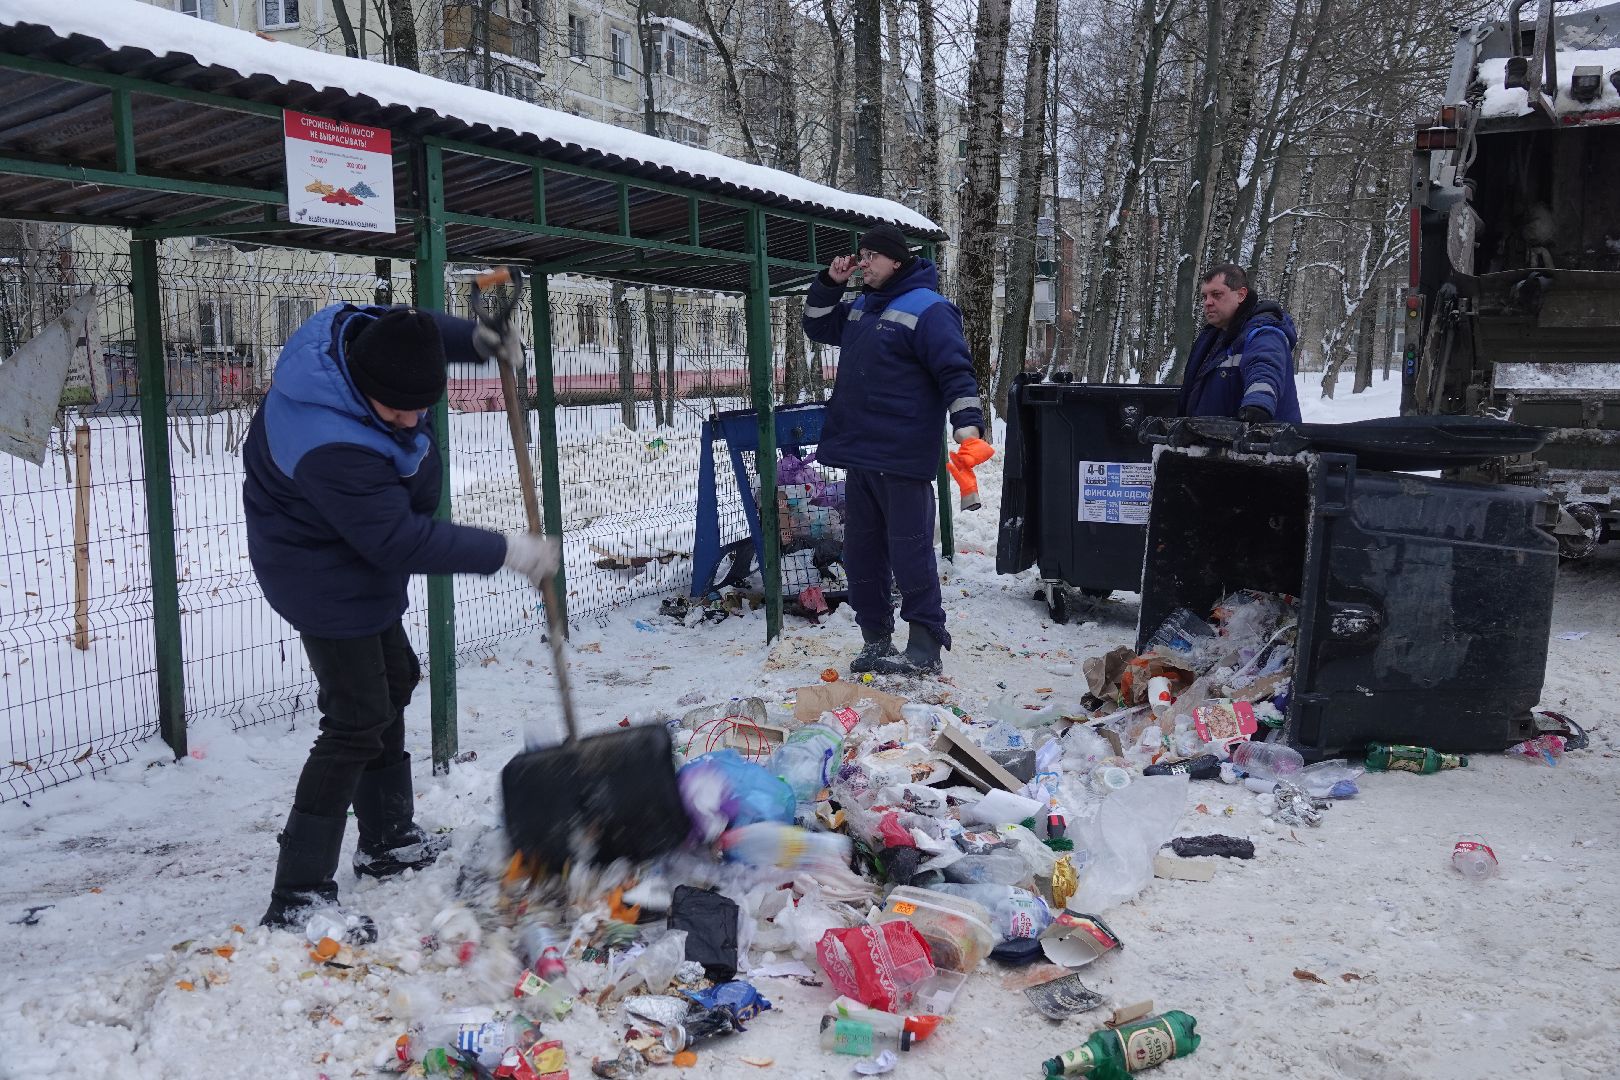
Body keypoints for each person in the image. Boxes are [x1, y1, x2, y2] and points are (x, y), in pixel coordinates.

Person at [242, 302, 558, 933]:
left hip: (353, 555)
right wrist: (505, 551)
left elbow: (418, 330)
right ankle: (298, 895)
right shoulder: (330, 443)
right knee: (357, 717)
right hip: (316, 570)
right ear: (364, 388)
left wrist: (480, 339)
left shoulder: (363, 340)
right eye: (397, 410)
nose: (413, 421)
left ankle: (387, 838)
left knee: (394, 679)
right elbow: (397, 540)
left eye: (421, 406)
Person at [802, 222, 983, 676]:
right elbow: (817, 325)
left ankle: (924, 643)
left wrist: (967, 426)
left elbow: (955, 371)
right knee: (861, 553)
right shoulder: (863, 307)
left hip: (901, 456)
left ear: (897, 261)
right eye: (860, 255)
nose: (863, 263)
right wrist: (830, 283)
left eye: (872, 257)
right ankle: (875, 639)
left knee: (910, 552)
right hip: (860, 454)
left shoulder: (930, 309)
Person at [1177, 263, 1302, 423]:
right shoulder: (1212, 337)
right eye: (1204, 296)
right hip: (1211, 436)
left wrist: (1258, 403)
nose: (1208, 302)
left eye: (1216, 294)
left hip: (1259, 436)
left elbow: (1265, 366)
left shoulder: (1264, 333)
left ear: (1241, 295)